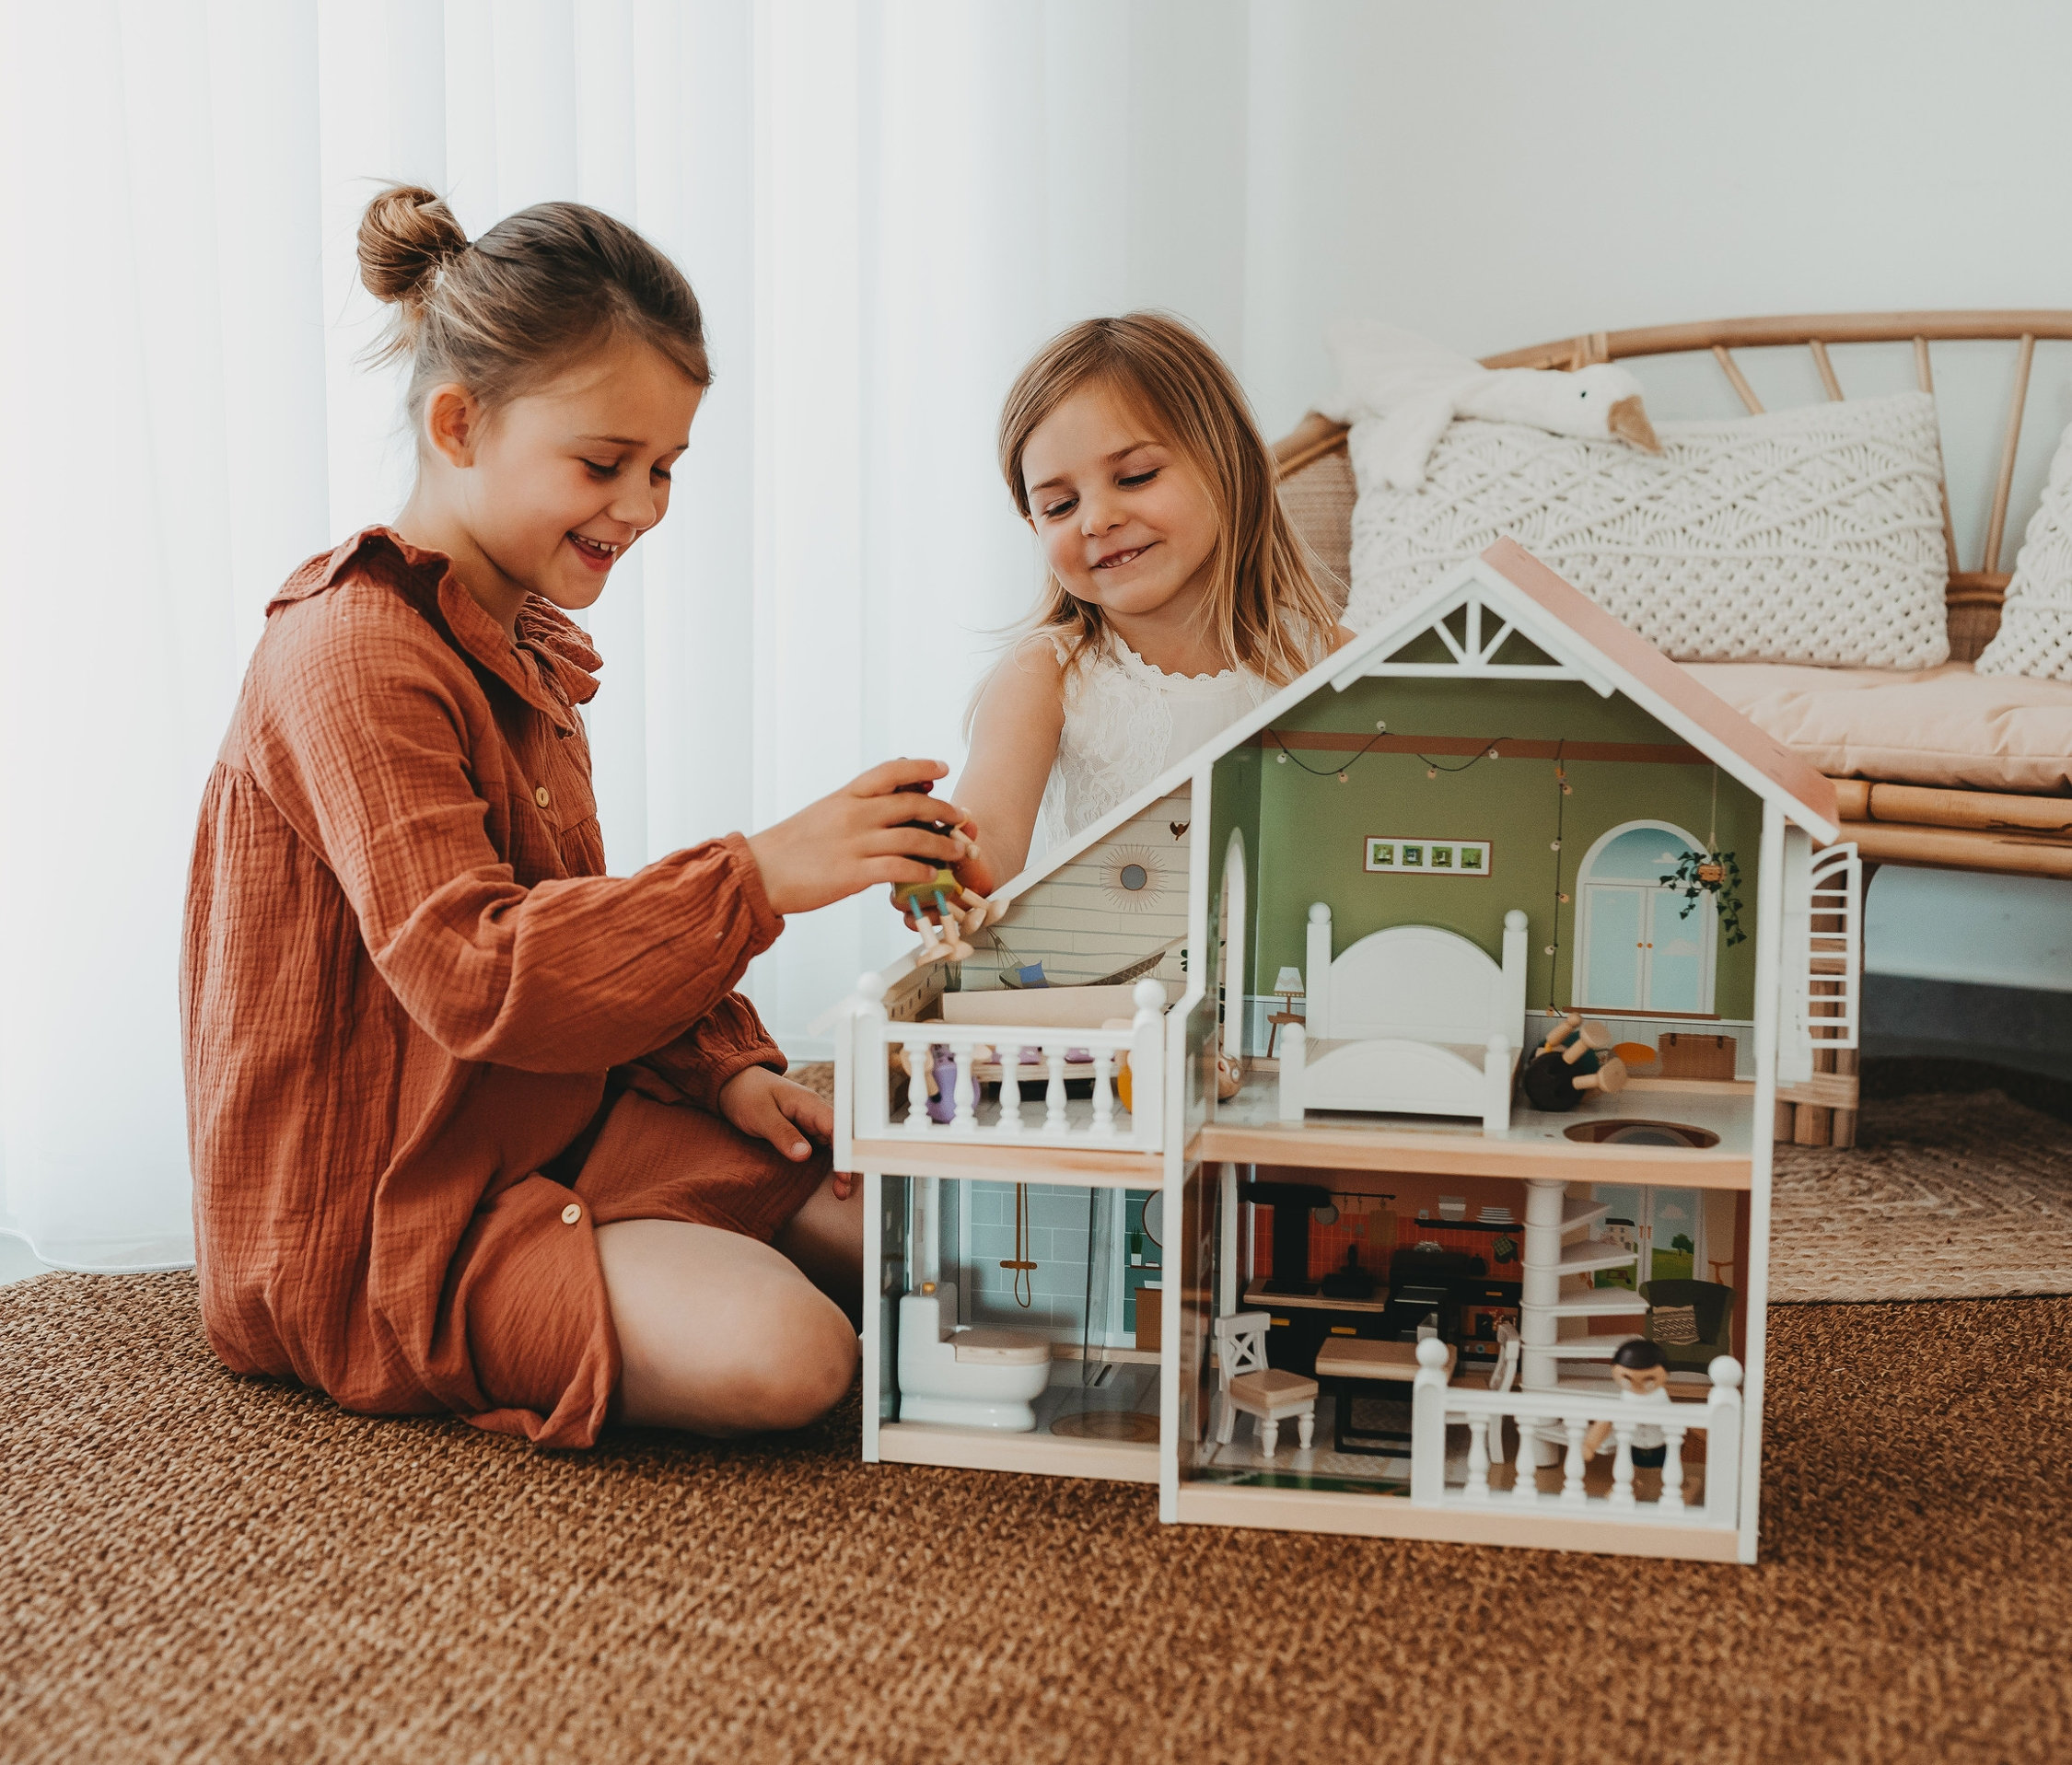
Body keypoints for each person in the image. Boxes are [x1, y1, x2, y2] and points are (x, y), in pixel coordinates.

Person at [182, 186, 975, 1449]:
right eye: (605, 464)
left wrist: (722, 1068)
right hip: (390, 1218)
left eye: (664, 468)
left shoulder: (517, 641)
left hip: (549, 1123)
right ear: (459, 425)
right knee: (795, 1353)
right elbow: (477, 966)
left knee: (923, 1230)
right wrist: (759, 876)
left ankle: (647, 1220)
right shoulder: (347, 653)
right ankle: (605, 1262)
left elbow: (566, 917)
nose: (644, 505)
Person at [941, 312, 1351, 903]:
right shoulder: (1047, 674)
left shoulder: (1326, 658)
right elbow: (991, 839)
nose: (1097, 519)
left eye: (1135, 477)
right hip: (1104, 965)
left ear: (1228, 464)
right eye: (1059, 506)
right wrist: (950, 863)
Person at [1584, 1338, 1675, 1469]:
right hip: (1632, 1445)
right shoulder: (1625, 1399)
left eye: (1649, 1380)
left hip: (1662, 1445)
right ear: (1613, 1371)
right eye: (1627, 1379)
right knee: (1629, 1468)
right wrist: (1590, 1445)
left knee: (1668, 1469)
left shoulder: (1660, 1397)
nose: (1638, 1385)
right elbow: (1605, 1422)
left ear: (1666, 1374)